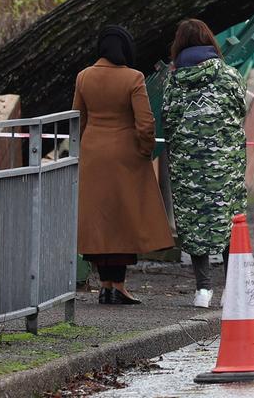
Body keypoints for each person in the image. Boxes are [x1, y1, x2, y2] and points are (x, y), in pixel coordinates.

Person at [73, 25, 173, 305]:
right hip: (126, 155)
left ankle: (105, 285)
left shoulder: (84, 77)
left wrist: (82, 150)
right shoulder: (133, 78)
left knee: (100, 222)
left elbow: (78, 118)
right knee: (124, 222)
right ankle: (118, 285)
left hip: (93, 153)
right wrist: (145, 150)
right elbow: (145, 122)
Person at [160, 18, 249, 309]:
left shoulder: (174, 80)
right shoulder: (230, 75)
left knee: (194, 221)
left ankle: (203, 290)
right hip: (226, 164)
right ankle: (233, 289)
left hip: (188, 166)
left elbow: (168, 121)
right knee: (229, 221)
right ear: (210, 40)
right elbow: (240, 111)